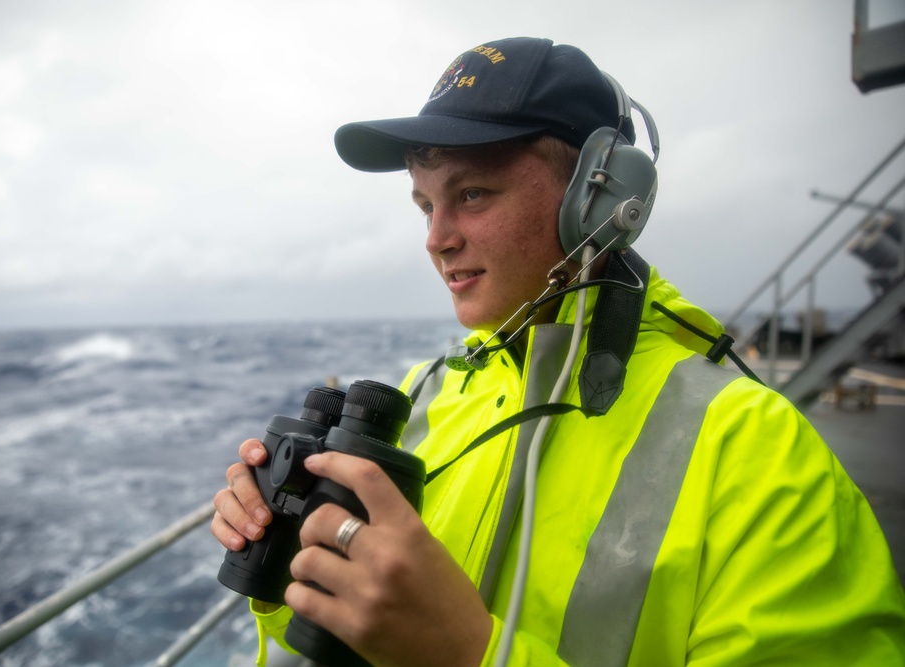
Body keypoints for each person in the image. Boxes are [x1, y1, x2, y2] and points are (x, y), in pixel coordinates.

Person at [212, 37, 905, 666]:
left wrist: (468, 654)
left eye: (472, 193)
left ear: (602, 201)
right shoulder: (425, 394)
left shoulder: (757, 449)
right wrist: (282, 568)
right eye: (426, 206)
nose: (437, 237)